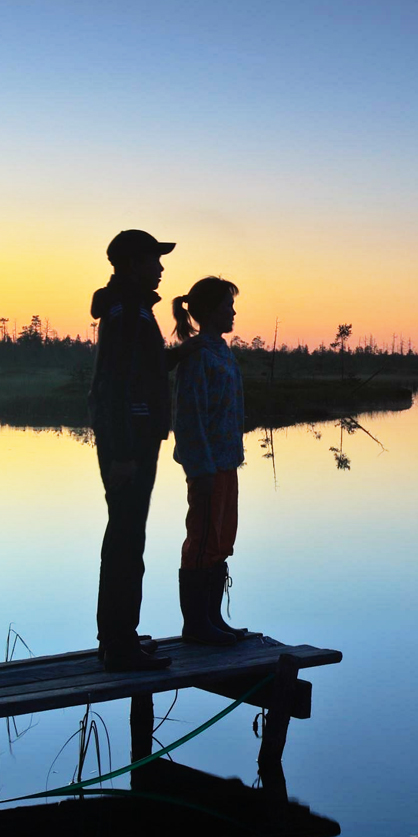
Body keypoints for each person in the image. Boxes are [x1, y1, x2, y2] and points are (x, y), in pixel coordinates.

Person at [89, 230, 176, 671]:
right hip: (128, 442)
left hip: (134, 439)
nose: (161, 268)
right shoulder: (127, 313)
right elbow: (116, 385)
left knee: (128, 537)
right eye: (153, 260)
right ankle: (119, 645)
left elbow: (141, 370)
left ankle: (120, 636)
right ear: (131, 264)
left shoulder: (135, 310)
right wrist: (123, 451)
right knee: (125, 539)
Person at [170, 276, 259, 646]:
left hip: (226, 462)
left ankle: (213, 618)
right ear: (207, 311)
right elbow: (189, 417)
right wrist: (199, 467)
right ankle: (196, 625)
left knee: (221, 539)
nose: (233, 311)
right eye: (227, 305)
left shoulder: (222, 350)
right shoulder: (197, 354)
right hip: (206, 466)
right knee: (202, 539)